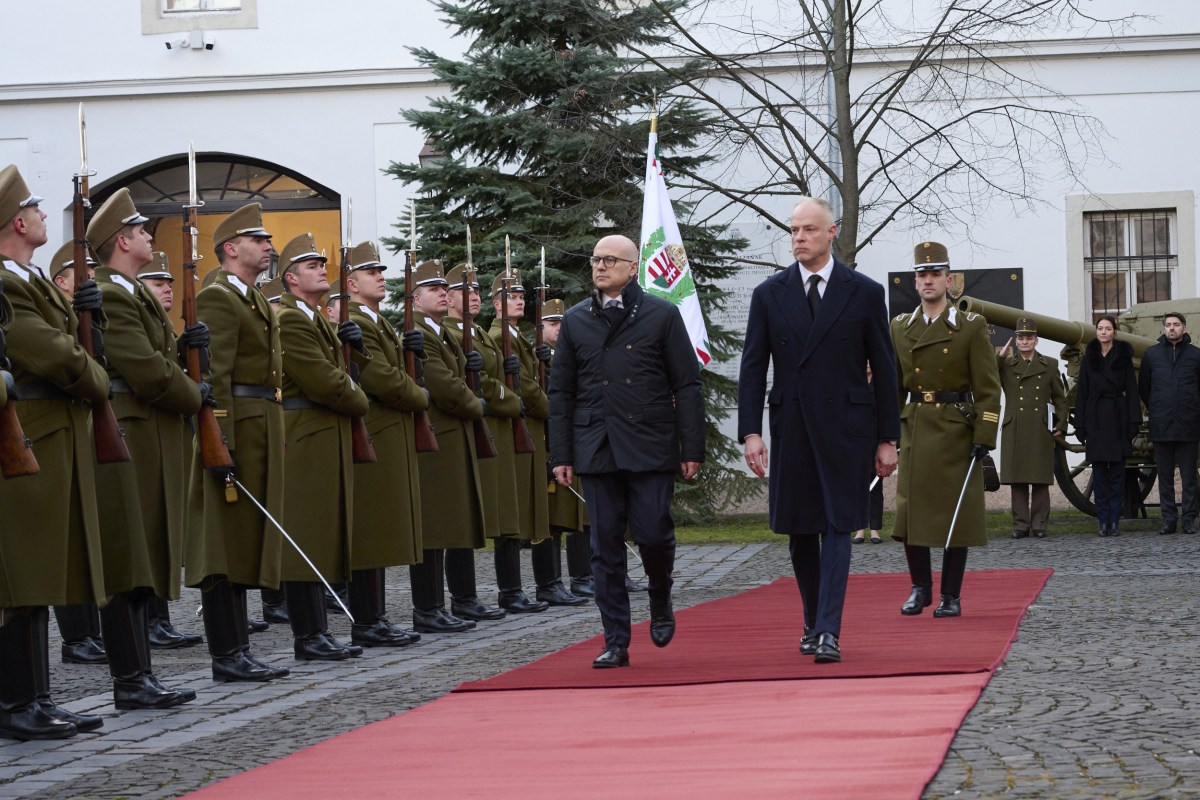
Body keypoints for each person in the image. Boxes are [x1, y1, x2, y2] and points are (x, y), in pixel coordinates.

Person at [738, 198, 899, 663]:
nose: (799, 238)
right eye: (793, 230)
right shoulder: (770, 294)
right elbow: (753, 367)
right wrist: (751, 431)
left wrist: (887, 439)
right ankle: (812, 621)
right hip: (792, 427)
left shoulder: (863, 292)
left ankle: (829, 629)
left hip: (846, 429)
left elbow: (885, 371)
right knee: (800, 530)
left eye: (808, 229)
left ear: (831, 233)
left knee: (838, 526)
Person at [549, 234, 704, 669]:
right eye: (595, 259)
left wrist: (691, 446)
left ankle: (660, 595)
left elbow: (686, 384)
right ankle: (615, 638)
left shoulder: (661, 315)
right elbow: (560, 391)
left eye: (610, 260)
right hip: (596, 445)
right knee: (605, 547)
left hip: (649, 443)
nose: (600, 267)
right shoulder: (578, 320)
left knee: (653, 533)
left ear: (632, 268)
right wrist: (560, 453)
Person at [0, 164, 109, 739]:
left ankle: (37, 696)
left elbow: (71, 344)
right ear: (19, 220)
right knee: (20, 574)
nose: (46, 217)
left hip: (55, 429)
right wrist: (97, 378)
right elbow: (55, 356)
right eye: (38, 209)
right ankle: (16, 702)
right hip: (32, 429)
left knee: (41, 572)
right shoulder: (6, 283)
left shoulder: (31, 277)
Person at [86, 188, 205, 709]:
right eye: (138, 231)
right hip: (133, 431)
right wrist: (191, 393)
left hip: (152, 433)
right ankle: (130, 680)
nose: (147, 237)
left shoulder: (128, 291)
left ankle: (142, 676)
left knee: (146, 557)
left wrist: (185, 351)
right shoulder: (112, 292)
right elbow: (139, 365)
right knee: (129, 560)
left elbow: (155, 357)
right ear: (121, 241)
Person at [184, 202, 289, 681]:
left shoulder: (254, 297)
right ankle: (227, 654)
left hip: (260, 422)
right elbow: (214, 375)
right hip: (236, 428)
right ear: (231, 249)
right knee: (224, 545)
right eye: (259, 240)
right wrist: (219, 439)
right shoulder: (219, 297)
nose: (268, 247)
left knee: (245, 539)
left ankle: (240, 650)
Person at [891, 241, 1001, 618]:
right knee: (911, 512)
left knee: (958, 515)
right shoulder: (900, 327)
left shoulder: (971, 326)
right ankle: (920, 588)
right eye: (922, 274)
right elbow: (894, 387)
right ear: (915, 280)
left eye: (935, 273)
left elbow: (988, 387)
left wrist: (984, 437)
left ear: (948, 279)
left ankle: (951, 595)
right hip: (917, 427)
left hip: (956, 428)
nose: (928, 280)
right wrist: (887, 435)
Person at [275, 233, 370, 660]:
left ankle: (318, 631)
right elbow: (322, 380)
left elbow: (340, 372)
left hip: (323, 431)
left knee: (322, 532)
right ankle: (308, 634)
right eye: (312, 266)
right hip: (306, 432)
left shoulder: (313, 318)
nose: (322, 269)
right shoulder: (293, 319)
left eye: (321, 264)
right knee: (307, 535)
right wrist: (357, 396)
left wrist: (357, 354)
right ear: (291, 278)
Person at [344, 240, 426, 646]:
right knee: (371, 529)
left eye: (381, 270)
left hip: (389, 430)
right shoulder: (357, 322)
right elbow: (376, 376)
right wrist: (418, 394)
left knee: (380, 527)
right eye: (371, 272)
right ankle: (367, 619)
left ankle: (375, 616)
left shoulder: (378, 321)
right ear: (351, 282)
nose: (381, 276)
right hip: (375, 428)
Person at [408, 259, 489, 633]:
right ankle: (428, 608)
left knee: (452, 519)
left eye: (445, 288)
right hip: (437, 433)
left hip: (452, 435)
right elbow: (442, 384)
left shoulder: (439, 332)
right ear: (415, 298)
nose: (444, 293)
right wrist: (477, 405)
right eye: (434, 289)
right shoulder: (421, 333)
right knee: (435, 524)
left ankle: (450, 602)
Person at [442, 264, 519, 621]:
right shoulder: (451, 333)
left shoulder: (473, 333)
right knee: (464, 514)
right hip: (477, 421)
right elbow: (484, 382)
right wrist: (512, 399)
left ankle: (498, 591)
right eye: (464, 291)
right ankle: (463, 595)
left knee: (497, 511)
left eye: (474, 291)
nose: (472, 296)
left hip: (491, 425)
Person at [44, 242, 109, 665]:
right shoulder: (52, 309)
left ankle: (90, 631)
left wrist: (94, 319)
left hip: (86, 424)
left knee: (89, 534)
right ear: (60, 282)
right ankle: (76, 636)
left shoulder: (79, 312)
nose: (86, 282)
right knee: (63, 536)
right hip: (57, 423)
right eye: (77, 276)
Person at [540, 298, 594, 598]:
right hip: (552, 441)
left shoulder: (570, 354)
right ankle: (557, 581)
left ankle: (583, 575)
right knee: (556, 517)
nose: (559, 329)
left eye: (562, 322)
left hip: (577, 438)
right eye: (552, 324)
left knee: (579, 514)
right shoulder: (542, 357)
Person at [996, 318, 1069, 539]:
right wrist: (998, 358)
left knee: (1039, 479)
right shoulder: (1006, 364)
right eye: (1021, 338)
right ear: (1016, 341)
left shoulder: (1049, 364)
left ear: (1036, 341)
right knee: (1017, 480)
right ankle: (1020, 525)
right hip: (1015, 425)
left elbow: (1060, 398)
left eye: (1029, 337)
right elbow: (987, 377)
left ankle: (1039, 525)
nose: (1025, 341)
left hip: (1039, 426)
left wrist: (1061, 425)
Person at [1075, 315, 1140, 537]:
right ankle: (1103, 521)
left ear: (1114, 332)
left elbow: (1132, 391)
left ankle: (1115, 520)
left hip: (1117, 417)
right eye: (1100, 328)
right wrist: (1080, 426)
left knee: (1118, 476)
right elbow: (1081, 393)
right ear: (1096, 332)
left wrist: (1133, 422)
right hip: (1095, 418)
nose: (1103, 332)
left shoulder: (1123, 358)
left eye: (1107, 328)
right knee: (1100, 476)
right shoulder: (1089, 358)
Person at [1138, 311, 1200, 535]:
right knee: (1164, 476)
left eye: (1176, 324)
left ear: (1184, 328)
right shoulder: (1152, 355)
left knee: (1189, 476)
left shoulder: (1196, 355)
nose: (1172, 328)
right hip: (1162, 423)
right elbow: (1144, 387)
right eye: (1168, 325)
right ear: (1163, 329)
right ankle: (1169, 519)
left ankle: (1189, 519)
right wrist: (1157, 407)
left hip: (1189, 424)